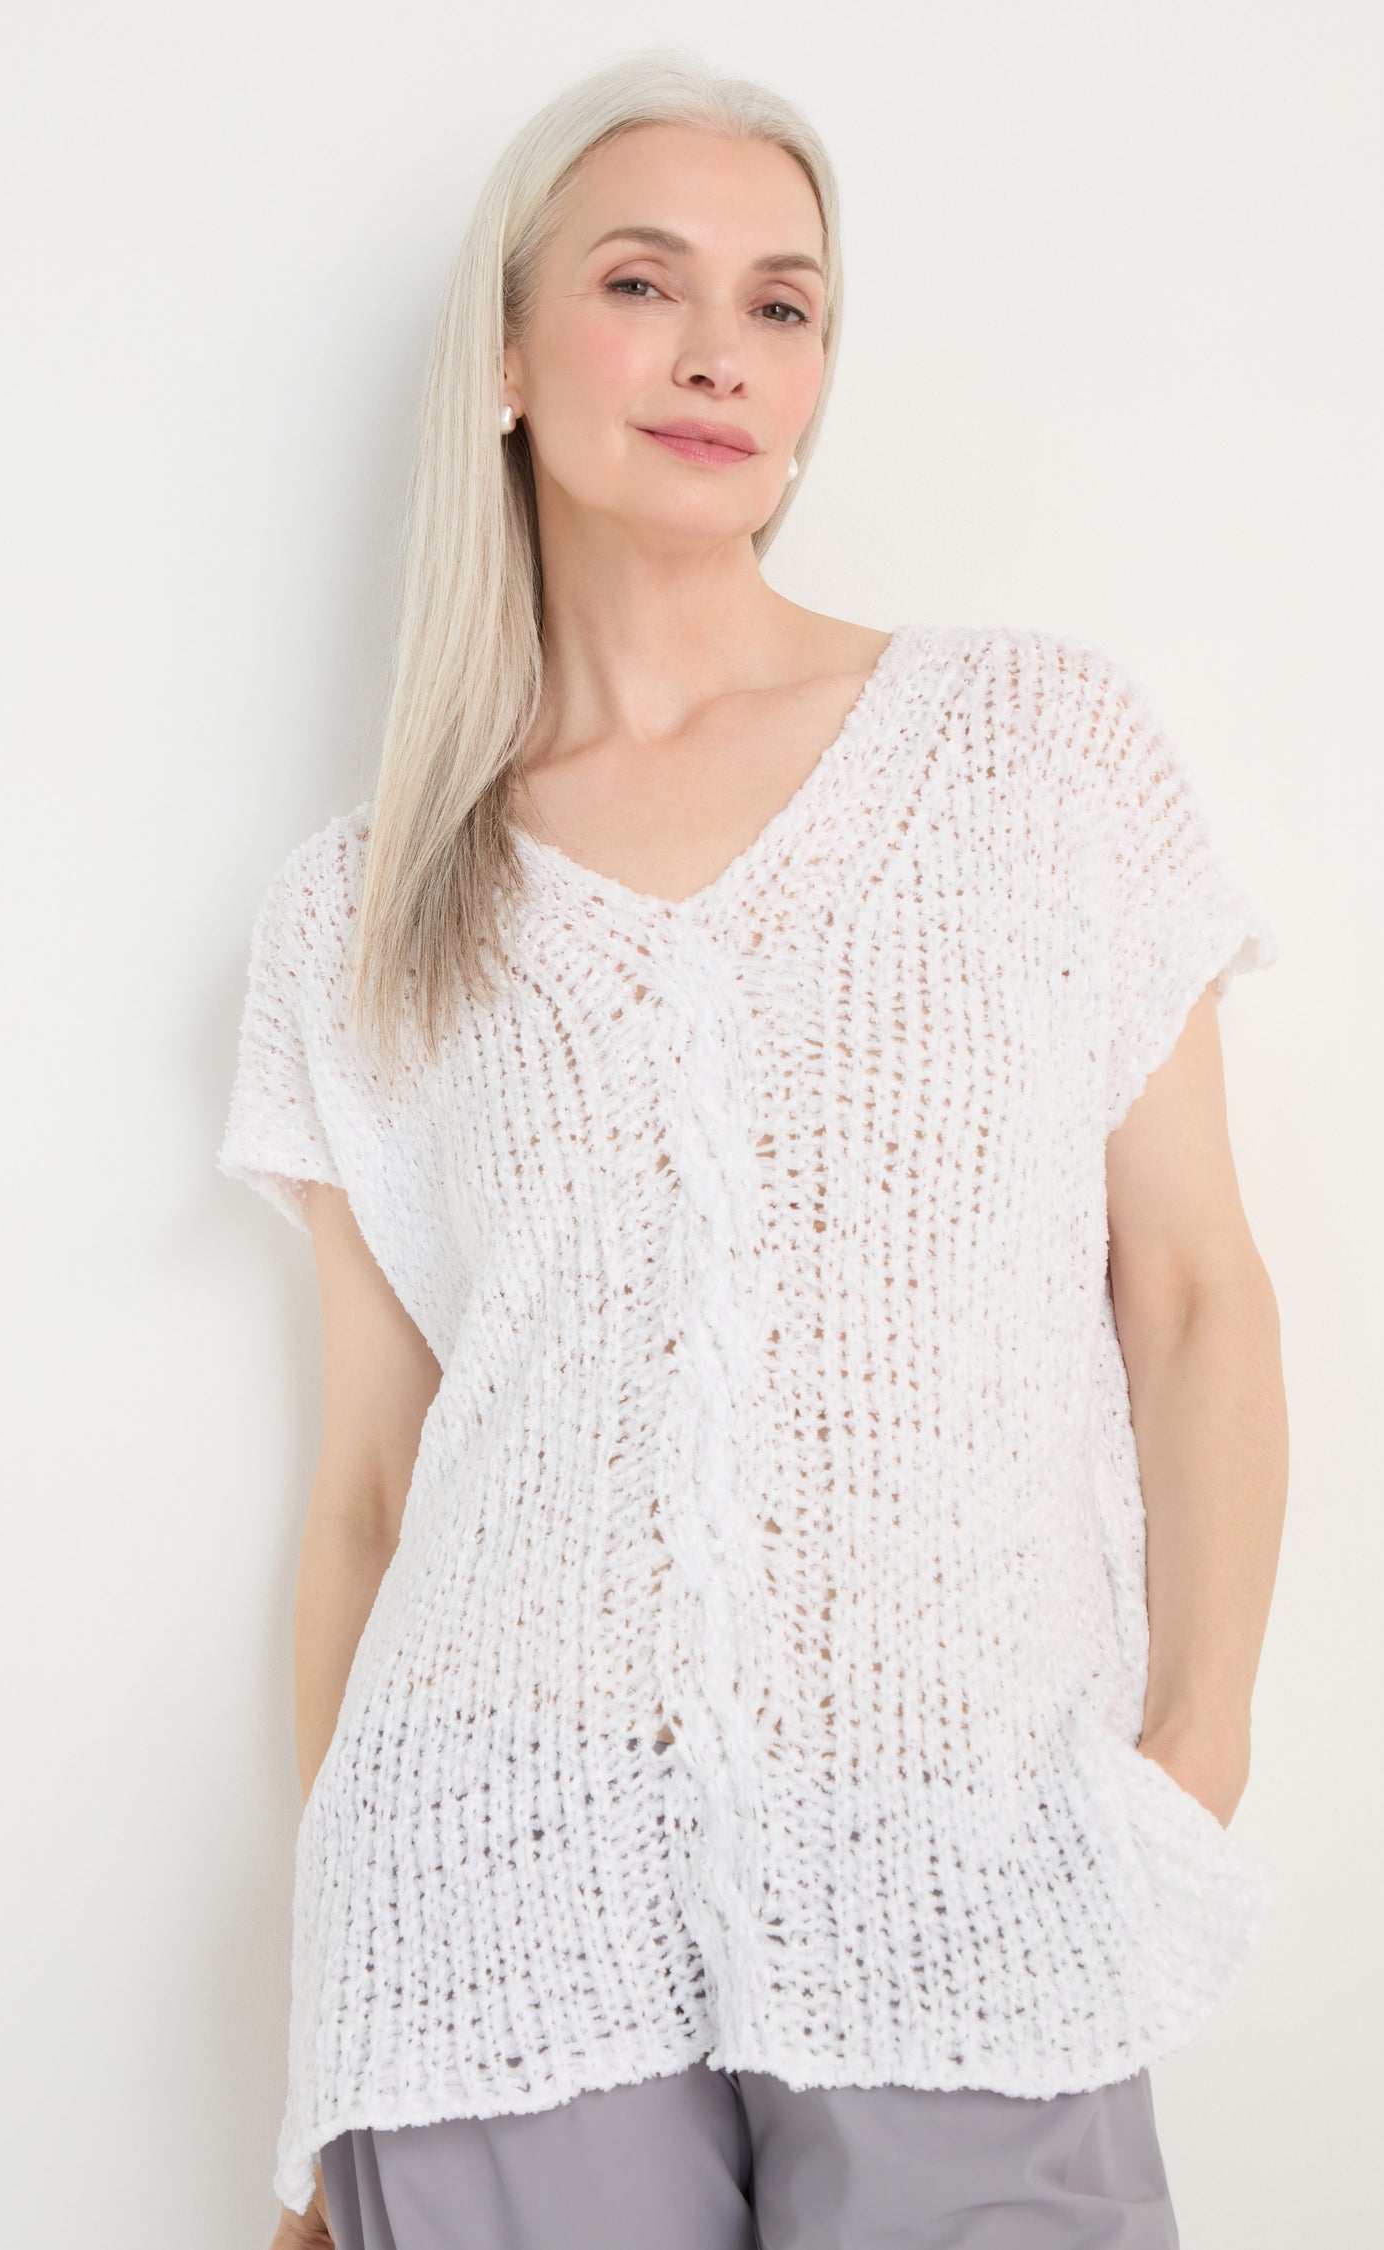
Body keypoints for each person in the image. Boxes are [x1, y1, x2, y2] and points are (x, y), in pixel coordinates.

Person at [216, 49, 1287, 2250]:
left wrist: (1196, 1748)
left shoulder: (1032, 752)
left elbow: (1188, 1287)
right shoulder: (363, 904)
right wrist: (343, 2040)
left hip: (974, 1850)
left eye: (784, 304)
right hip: (489, 1913)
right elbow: (371, 1490)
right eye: (642, 281)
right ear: (508, 357)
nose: (720, 351)